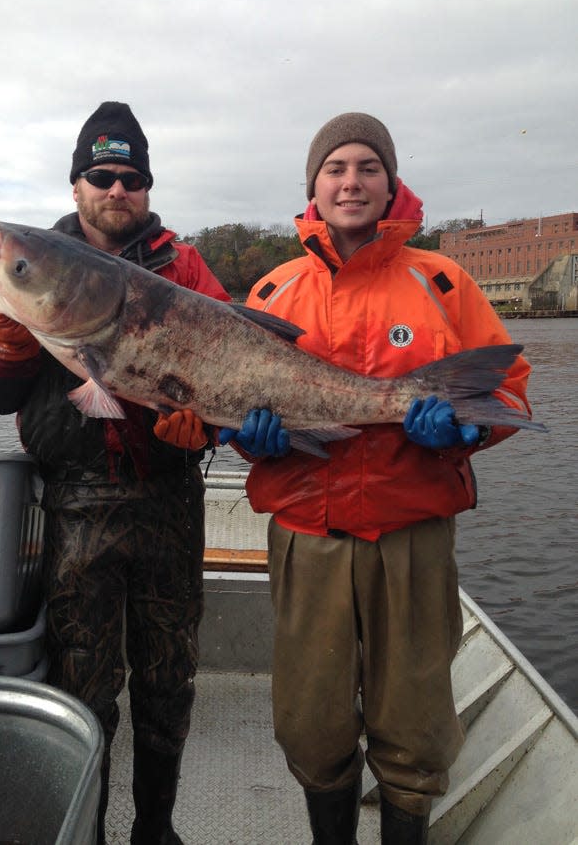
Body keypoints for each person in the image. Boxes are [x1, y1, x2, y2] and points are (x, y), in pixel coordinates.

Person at [218, 112, 534, 844]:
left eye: (366, 166)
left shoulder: (443, 280)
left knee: (415, 720)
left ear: (390, 183)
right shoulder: (270, 292)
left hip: (411, 534)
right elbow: (228, 406)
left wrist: (468, 428)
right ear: (313, 186)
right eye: (335, 168)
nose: (350, 181)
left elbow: (509, 390)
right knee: (310, 720)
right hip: (306, 534)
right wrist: (255, 444)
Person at [0, 101, 230, 845]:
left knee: (167, 679)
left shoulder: (185, 267)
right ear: (77, 183)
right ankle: (88, 832)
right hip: (76, 506)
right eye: (102, 175)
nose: (118, 190)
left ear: (145, 189)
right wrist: (13, 337)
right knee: (83, 684)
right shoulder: (30, 265)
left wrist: (199, 429)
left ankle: (155, 829)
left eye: (131, 178)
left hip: (169, 500)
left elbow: (226, 379)